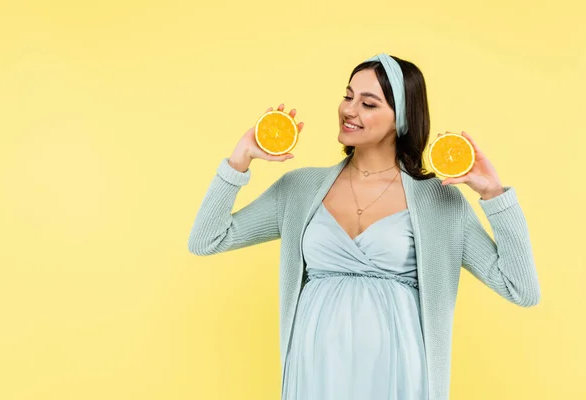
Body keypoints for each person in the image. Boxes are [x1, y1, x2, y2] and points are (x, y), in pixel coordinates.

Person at [188, 52, 541, 400]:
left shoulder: (440, 202)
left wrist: (495, 196)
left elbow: (521, 289)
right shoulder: (299, 188)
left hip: (399, 372)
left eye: (368, 104)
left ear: (400, 119)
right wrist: (239, 162)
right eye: (348, 96)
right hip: (315, 370)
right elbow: (207, 239)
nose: (349, 110)